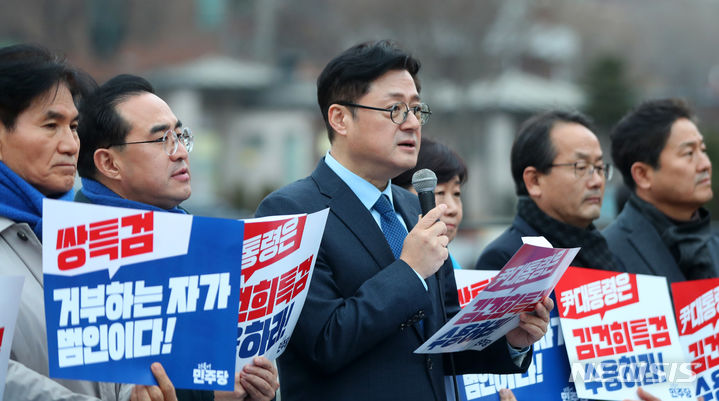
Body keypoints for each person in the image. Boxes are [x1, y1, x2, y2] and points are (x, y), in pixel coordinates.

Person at [254, 39, 552, 401]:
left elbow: (437, 342)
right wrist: (409, 271)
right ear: (340, 118)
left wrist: (510, 339)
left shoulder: (414, 210)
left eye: (416, 110)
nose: (412, 123)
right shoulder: (291, 211)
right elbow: (321, 343)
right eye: (395, 109)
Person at [74, 73, 280, 401]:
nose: (181, 152)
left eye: (180, 135)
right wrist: (209, 397)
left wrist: (256, 387)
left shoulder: (192, 236)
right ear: (109, 163)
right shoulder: (78, 254)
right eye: (162, 140)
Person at [0, 44, 177, 401]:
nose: (70, 144)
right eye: (51, 125)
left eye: (74, 127)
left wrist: (134, 392)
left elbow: (106, 359)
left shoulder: (82, 236)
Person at [475, 110, 621, 272]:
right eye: (581, 167)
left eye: (599, 167)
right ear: (534, 181)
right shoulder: (507, 259)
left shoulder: (606, 250)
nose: (597, 181)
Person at [604, 98, 719, 282]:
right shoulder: (607, 257)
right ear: (642, 175)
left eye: (702, 150)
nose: (705, 164)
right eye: (689, 153)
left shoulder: (713, 245)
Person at [393, 137, 467, 269]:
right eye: (439, 192)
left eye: (456, 193)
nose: (453, 209)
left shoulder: (451, 265)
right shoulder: (396, 262)